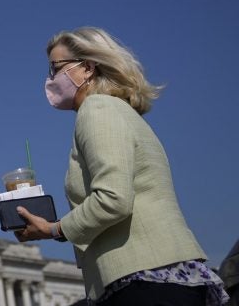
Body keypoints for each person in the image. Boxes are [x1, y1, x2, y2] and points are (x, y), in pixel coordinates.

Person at [15, 27, 228, 305]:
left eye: (55, 68)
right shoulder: (120, 111)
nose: (50, 79)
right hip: (161, 275)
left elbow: (114, 199)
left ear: (87, 68)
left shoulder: (97, 109)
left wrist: (54, 229)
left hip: (143, 278)